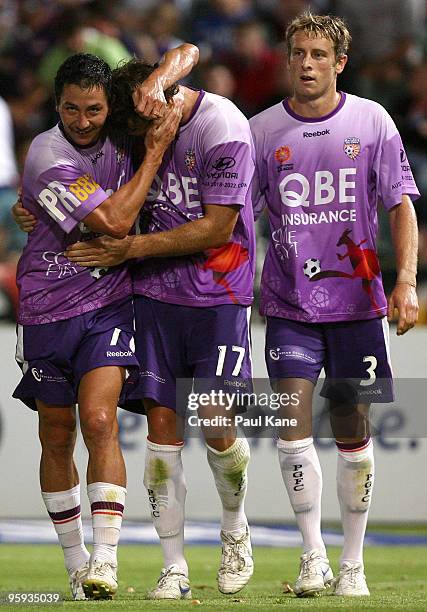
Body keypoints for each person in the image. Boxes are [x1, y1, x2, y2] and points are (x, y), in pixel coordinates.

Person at [64, 57, 256, 600]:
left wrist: (132, 249)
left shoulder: (222, 125)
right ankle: (172, 565)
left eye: (144, 126)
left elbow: (218, 227)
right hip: (151, 296)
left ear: (162, 99)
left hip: (218, 293)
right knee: (161, 433)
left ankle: (234, 529)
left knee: (218, 426)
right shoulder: (134, 132)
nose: (141, 139)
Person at [12, 45, 199, 601]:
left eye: (94, 110)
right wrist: (154, 153)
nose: (84, 121)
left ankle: (106, 560)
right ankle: (74, 563)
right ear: (57, 106)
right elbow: (115, 222)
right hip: (45, 304)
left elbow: (187, 63)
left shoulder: (119, 129)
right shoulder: (47, 154)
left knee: (99, 420)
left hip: (107, 301)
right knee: (55, 433)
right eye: (72, 110)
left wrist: (163, 78)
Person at [249, 12, 419, 598]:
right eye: (297, 52)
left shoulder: (372, 121)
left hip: (358, 303)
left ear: (339, 62)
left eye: (318, 54)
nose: (306, 63)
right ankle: (314, 555)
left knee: (352, 427)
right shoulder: (261, 130)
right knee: (291, 429)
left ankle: (353, 561)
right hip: (290, 302)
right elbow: (237, 218)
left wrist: (406, 282)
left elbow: (400, 203)